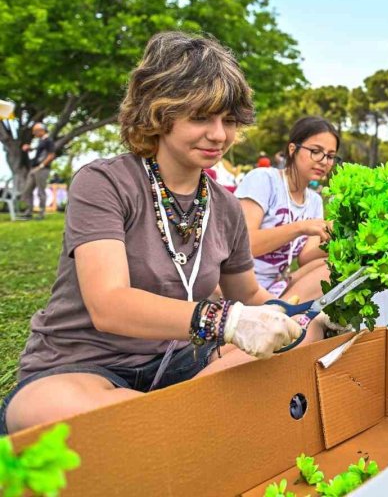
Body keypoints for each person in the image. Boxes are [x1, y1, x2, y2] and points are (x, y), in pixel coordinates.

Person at [0, 31, 316, 435]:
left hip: (185, 361)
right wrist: (225, 321)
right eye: (201, 117)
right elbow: (109, 304)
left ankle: (185, 420)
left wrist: (300, 315)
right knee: (139, 427)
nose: (219, 134)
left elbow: (248, 295)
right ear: (159, 113)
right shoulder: (104, 183)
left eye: (229, 120)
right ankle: (183, 422)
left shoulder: (226, 208)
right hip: (79, 365)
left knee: (299, 351)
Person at [235, 116, 337, 306]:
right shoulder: (264, 180)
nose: (324, 161)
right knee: (311, 324)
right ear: (293, 150)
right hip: (240, 287)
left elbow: (306, 257)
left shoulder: (314, 200)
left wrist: (339, 239)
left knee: (331, 267)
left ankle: (285, 313)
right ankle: (286, 315)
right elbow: (244, 245)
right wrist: (300, 227)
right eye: (316, 151)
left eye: (330, 156)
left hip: (276, 285)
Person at [19, 122, 56, 219]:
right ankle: (29, 212)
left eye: (35, 131)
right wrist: (29, 148)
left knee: (41, 191)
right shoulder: (40, 141)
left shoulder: (49, 140)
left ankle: (41, 213)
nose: (34, 133)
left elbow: (51, 155)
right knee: (27, 190)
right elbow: (39, 152)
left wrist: (41, 166)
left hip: (42, 169)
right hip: (33, 168)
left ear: (41, 130)